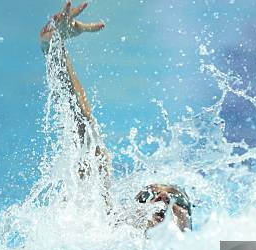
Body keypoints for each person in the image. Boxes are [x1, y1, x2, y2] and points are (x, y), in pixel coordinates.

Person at [39, 1, 192, 231]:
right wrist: (54, 48)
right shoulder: (104, 227)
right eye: (150, 196)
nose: (162, 202)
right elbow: (84, 127)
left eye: (175, 201)